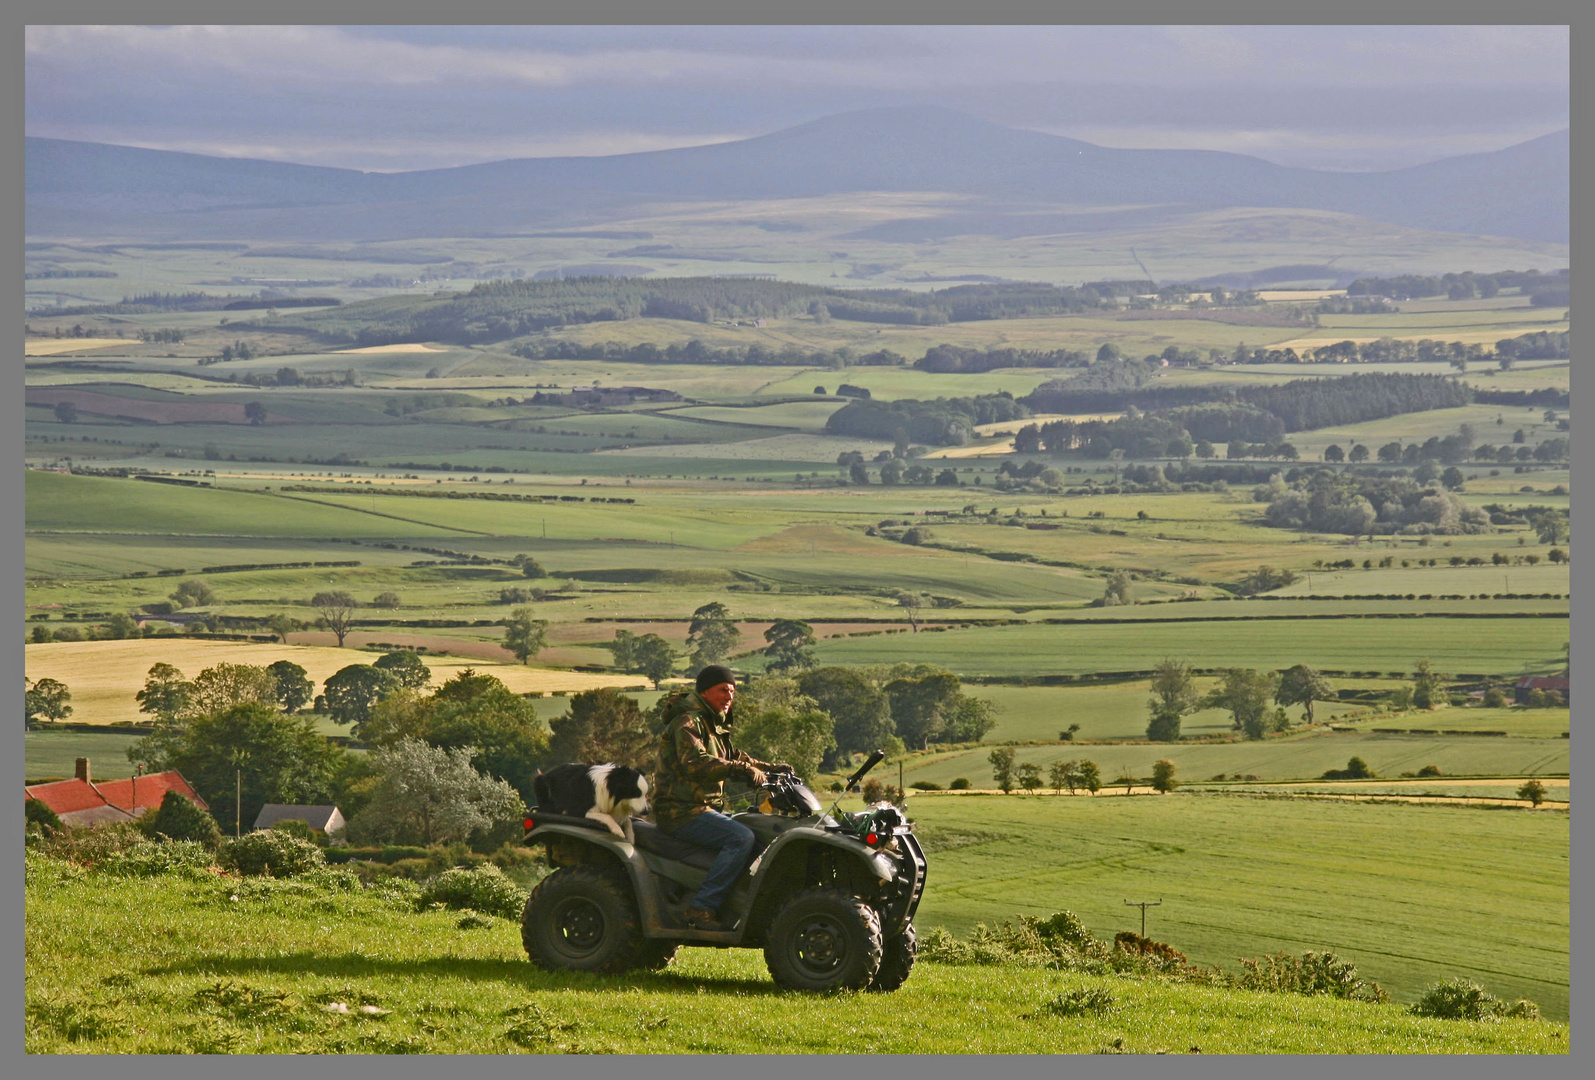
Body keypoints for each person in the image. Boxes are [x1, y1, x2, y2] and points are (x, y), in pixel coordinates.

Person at [652, 664, 788, 931]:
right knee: (741, 837)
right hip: (679, 810)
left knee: (754, 829)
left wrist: (773, 769)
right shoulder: (687, 722)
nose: (729, 697)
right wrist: (741, 770)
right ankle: (702, 908)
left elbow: (737, 757)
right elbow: (695, 762)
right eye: (723, 690)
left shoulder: (712, 725)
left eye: (733, 691)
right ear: (704, 692)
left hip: (702, 808)